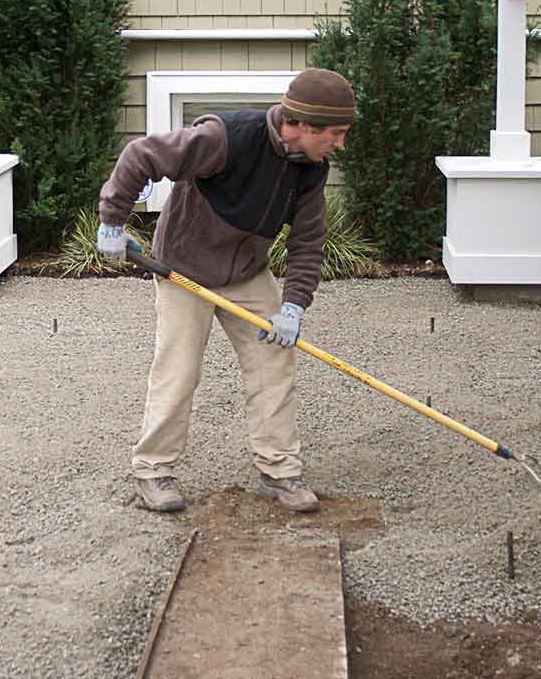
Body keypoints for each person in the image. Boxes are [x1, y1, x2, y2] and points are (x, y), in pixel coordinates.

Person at [96, 68, 357, 514]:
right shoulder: (226, 137)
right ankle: (153, 469)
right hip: (185, 267)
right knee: (178, 369)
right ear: (300, 125)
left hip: (247, 273)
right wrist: (113, 220)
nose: (340, 144)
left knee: (274, 360)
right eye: (334, 134)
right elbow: (141, 154)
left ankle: (278, 469)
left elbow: (307, 242)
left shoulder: (312, 169)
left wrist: (292, 306)